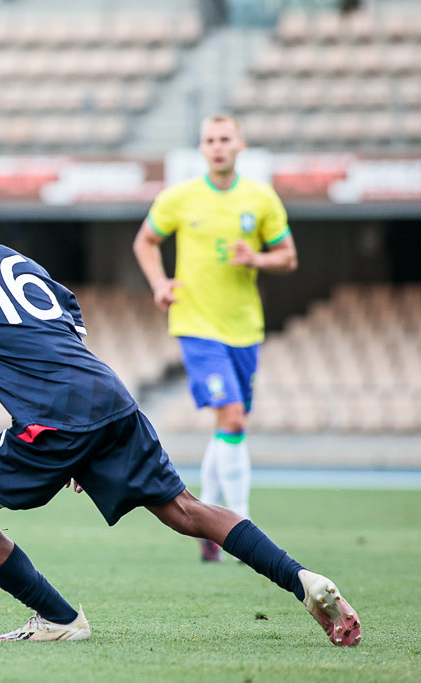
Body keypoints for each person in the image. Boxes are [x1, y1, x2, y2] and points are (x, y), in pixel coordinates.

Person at [0, 164, 359, 647]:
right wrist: (83, 447)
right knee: (186, 509)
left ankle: (60, 620)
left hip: (52, 419)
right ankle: (302, 578)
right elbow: (72, 319)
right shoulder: (19, 261)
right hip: (108, 398)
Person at [132, 114, 298, 562]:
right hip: (196, 325)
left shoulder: (260, 199)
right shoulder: (180, 197)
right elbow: (145, 242)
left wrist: (258, 258)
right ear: (202, 148)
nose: (218, 146)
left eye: (225, 139)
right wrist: (159, 283)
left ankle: (209, 520)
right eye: (210, 140)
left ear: (239, 144)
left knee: (229, 426)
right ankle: (240, 530)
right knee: (234, 420)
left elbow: (288, 257)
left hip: (245, 327)